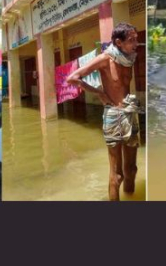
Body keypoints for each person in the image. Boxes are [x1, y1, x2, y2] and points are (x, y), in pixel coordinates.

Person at [65, 23, 142, 201]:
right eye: (132, 40)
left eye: (136, 39)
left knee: (131, 169)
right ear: (118, 42)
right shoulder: (105, 58)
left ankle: (131, 196)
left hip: (130, 113)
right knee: (117, 175)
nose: (136, 43)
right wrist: (99, 93)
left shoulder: (128, 58)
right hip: (113, 115)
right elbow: (72, 78)